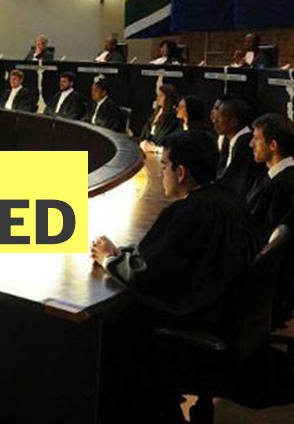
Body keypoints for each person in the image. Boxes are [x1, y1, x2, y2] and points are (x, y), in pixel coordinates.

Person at [92, 131, 261, 318]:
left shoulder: (189, 213)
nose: (160, 173)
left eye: (164, 166)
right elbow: (165, 255)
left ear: (181, 173)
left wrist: (109, 259)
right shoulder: (230, 197)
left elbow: (145, 274)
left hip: (198, 315)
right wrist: (124, 253)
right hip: (230, 308)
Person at [247, 113, 294, 323]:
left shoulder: (284, 187)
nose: (251, 144)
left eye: (256, 139)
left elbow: (258, 235)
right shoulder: (286, 177)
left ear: (273, 145)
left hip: (262, 278)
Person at [213, 98, 265, 197]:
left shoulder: (245, 145)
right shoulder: (231, 142)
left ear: (233, 122)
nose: (214, 121)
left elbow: (236, 183)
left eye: (219, 118)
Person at [139, 83, 181, 151]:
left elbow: (165, 135)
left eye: (161, 96)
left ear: (168, 98)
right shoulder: (157, 112)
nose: (158, 98)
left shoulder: (172, 116)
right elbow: (147, 130)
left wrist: (153, 146)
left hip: (159, 148)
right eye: (158, 95)